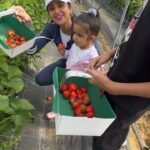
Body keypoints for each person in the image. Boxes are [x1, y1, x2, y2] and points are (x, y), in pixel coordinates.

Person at [85, 1, 150, 150]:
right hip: (116, 82)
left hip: (127, 101)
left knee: (106, 141)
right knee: (100, 131)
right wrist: (111, 53)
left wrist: (113, 87)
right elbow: (135, 38)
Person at [12, 0, 101, 87]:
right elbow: (32, 50)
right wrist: (27, 25)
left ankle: (65, 85)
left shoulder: (83, 27)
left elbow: (97, 62)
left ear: (69, 8)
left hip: (83, 70)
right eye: (51, 9)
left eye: (60, 5)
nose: (57, 11)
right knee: (40, 79)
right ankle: (63, 85)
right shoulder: (52, 29)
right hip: (68, 61)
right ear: (49, 14)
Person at [47, 8, 104, 119]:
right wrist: (64, 52)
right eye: (74, 33)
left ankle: (58, 111)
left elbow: (100, 72)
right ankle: (55, 104)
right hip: (69, 74)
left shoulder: (93, 56)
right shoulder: (75, 45)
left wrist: (99, 81)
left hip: (79, 82)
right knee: (60, 89)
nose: (74, 37)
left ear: (91, 39)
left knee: (70, 97)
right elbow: (71, 55)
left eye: (79, 35)